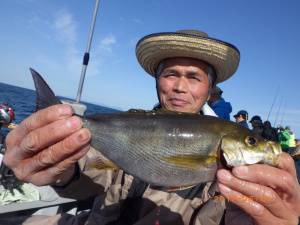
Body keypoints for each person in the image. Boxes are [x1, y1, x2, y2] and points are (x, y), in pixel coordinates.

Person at [3, 30, 300, 225]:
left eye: (194, 77)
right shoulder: (129, 127)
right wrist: (59, 167)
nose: (180, 87)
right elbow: (86, 170)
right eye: (171, 74)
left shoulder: (245, 173)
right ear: (157, 81)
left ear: (210, 89)